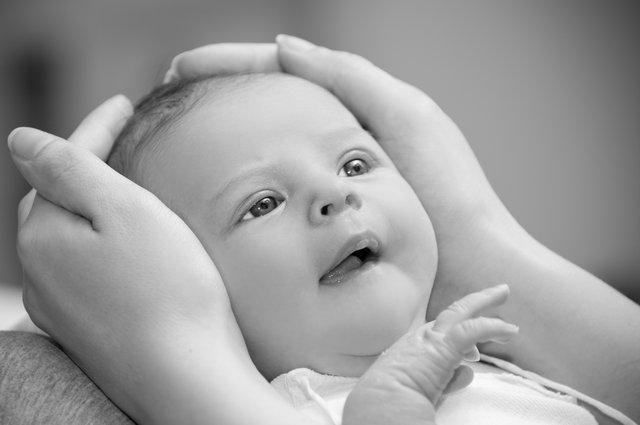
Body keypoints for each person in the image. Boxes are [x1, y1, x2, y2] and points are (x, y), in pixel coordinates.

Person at [4, 36, 639, 424]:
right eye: (262, 203)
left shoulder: (510, 353)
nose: (336, 194)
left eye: (355, 165)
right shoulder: (302, 406)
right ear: (184, 282)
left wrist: (487, 245)